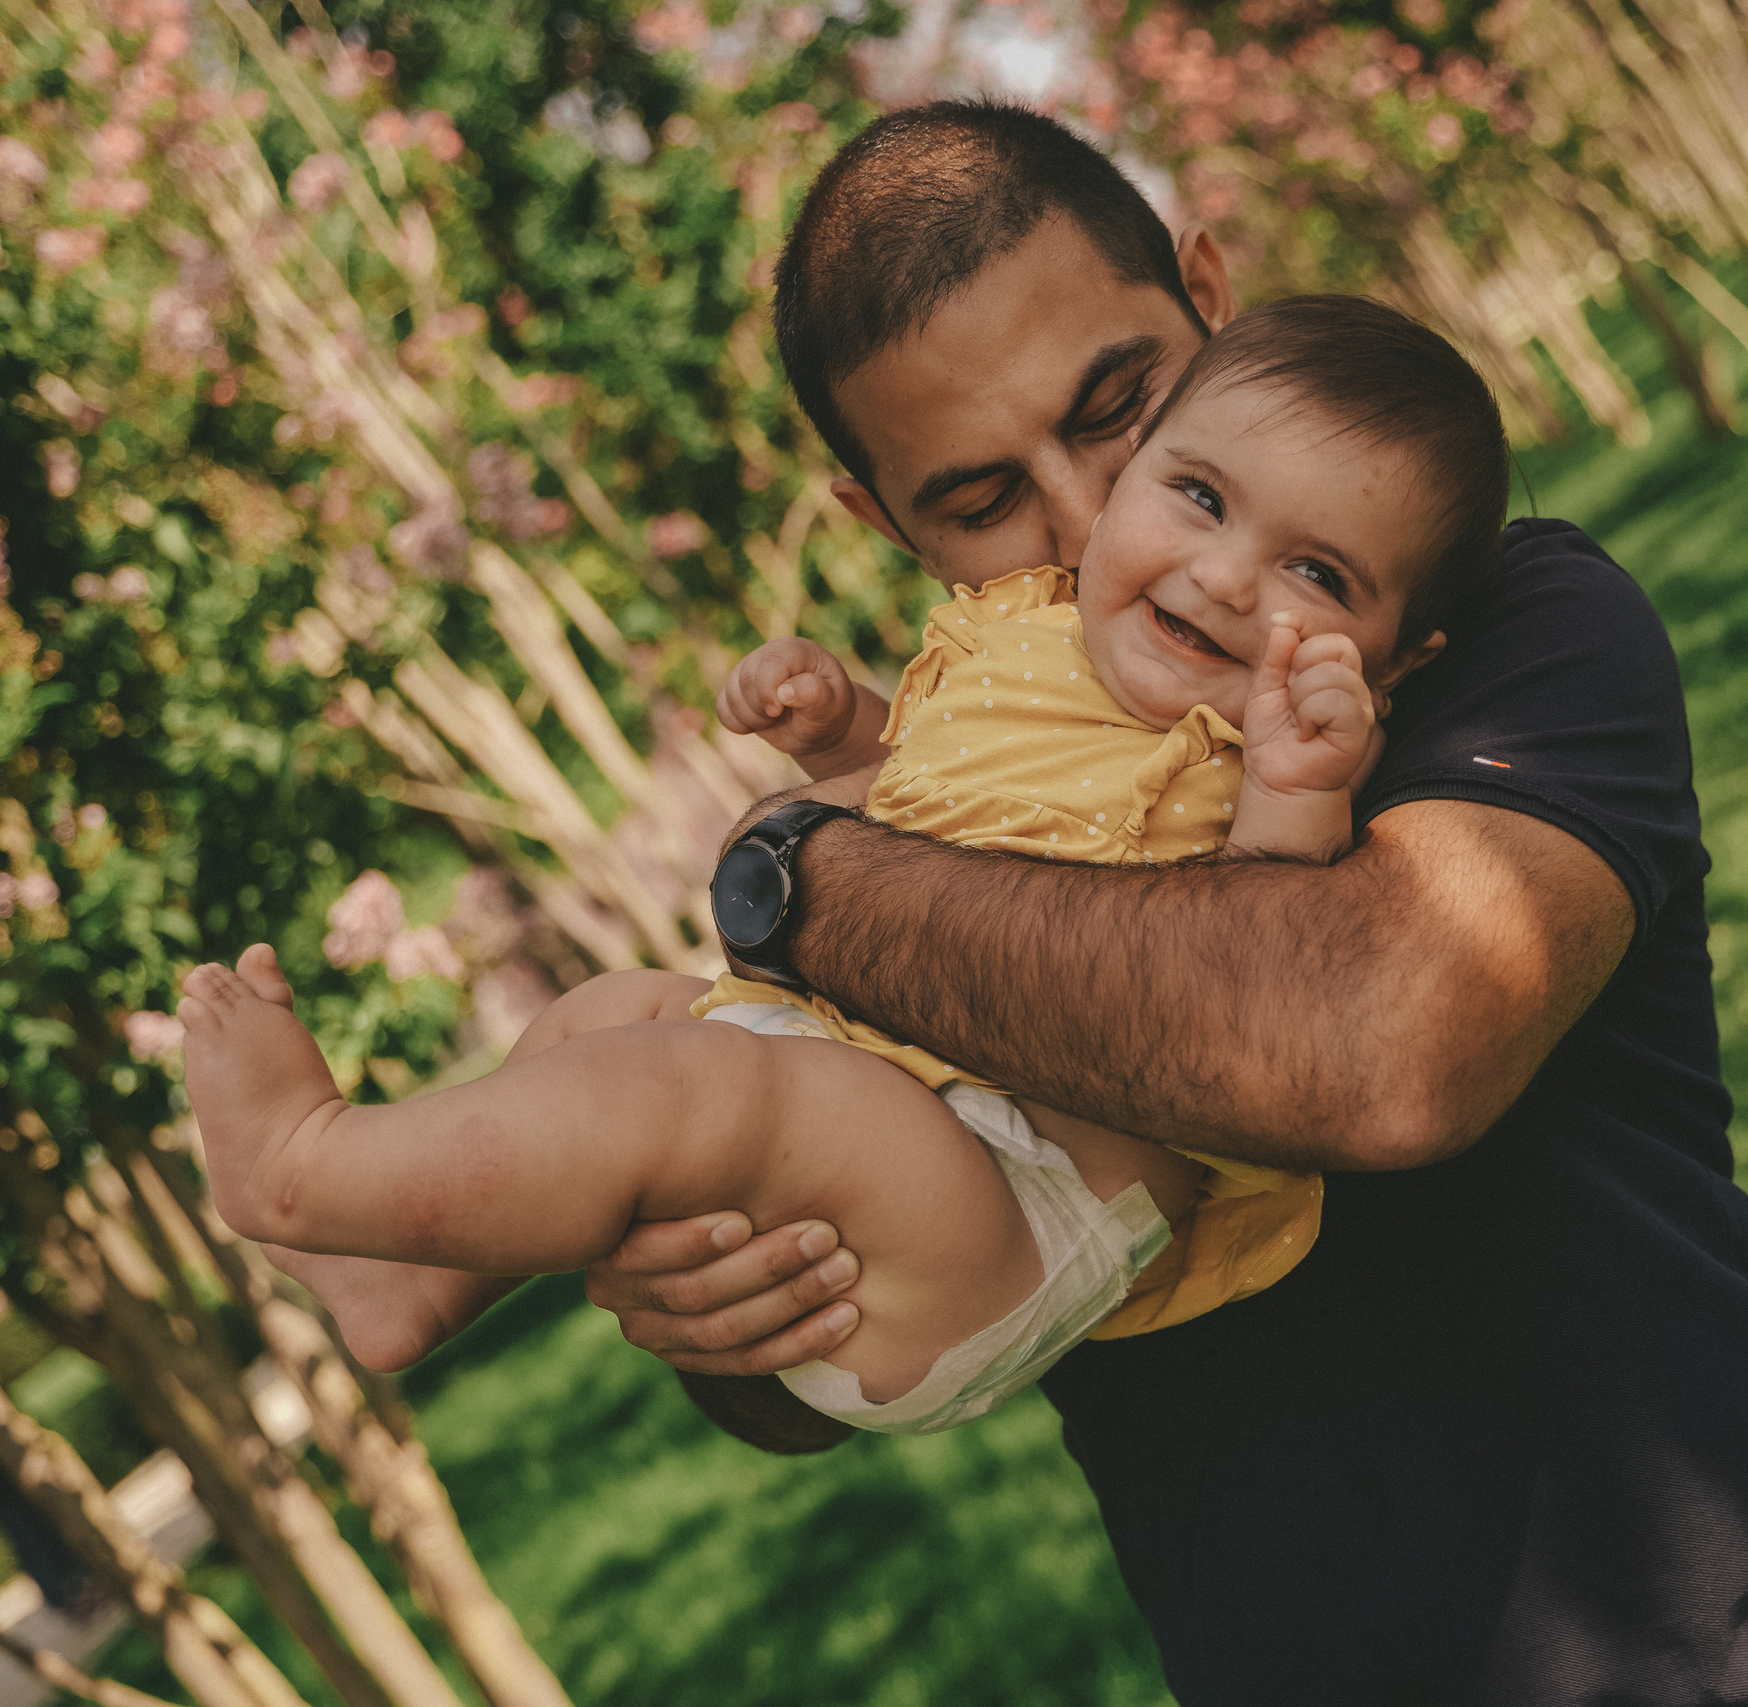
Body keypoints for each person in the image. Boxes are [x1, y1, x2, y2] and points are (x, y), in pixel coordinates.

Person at [565, 102, 1748, 1701]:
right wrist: (719, 1310)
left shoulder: (1501, 625)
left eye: (1123, 411)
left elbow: (1377, 1051)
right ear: (885, 520)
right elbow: (865, 1343)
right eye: (981, 500)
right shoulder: (942, 790)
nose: (1091, 537)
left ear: (1211, 295)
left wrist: (796, 879)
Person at [183, 295, 1507, 1436]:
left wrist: (1299, 781)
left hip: (1014, 1206)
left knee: (695, 1087)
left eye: (1319, 575)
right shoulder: (1027, 636)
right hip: (877, 1120)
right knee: (613, 1017)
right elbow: (941, 802)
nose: (1225, 576)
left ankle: (308, 1166)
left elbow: (1260, 961)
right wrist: (852, 735)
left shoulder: (1266, 747)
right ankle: (414, 1286)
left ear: (1401, 658)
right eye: (1200, 498)